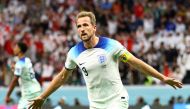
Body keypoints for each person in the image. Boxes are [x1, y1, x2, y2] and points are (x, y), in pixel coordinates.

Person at [28, 11, 182, 109]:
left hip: (117, 100)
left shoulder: (111, 45)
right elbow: (62, 77)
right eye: (79, 26)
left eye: (86, 25)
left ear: (94, 27)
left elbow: (135, 62)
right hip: (95, 104)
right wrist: (43, 96)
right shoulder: (74, 53)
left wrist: (162, 77)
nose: (82, 29)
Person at [5, 42, 41, 109]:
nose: (14, 49)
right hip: (36, 90)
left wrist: (7, 95)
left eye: (15, 47)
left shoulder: (19, 64)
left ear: (19, 49)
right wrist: (15, 68)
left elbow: (15, 80)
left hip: (29, 94)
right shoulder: (27, 60)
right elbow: (24, 71)